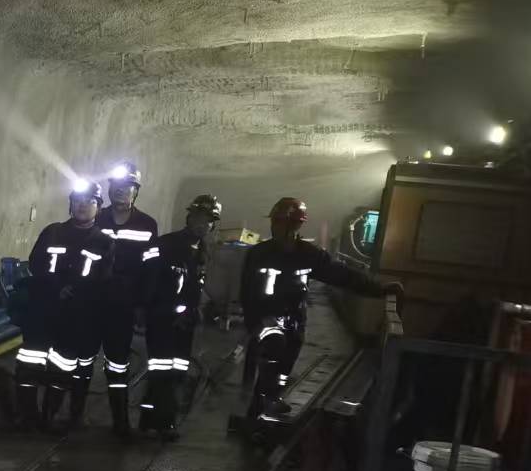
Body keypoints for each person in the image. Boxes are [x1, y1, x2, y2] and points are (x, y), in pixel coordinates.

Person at [241, 197, 401, 423]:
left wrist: (379, 289)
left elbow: (341, 275)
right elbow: (247, 291)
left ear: (295, 225)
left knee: (286, 363)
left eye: (281, 222)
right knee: (271, 359)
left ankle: (271, 399)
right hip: (268, 319)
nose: (275, 227)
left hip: (294, 320)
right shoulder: (259, 254)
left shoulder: (308, 254)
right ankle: (257, 410)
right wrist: (253, 322)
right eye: (275, 221)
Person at [29, 178, 114, 430]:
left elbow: (104, 279)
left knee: (68, 367)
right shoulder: (53, 232)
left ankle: (57, 415)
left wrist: (78, 292)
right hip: (47, 311)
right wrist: (57, 287)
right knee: (34, 365)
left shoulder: (104, 242)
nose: (83, 205)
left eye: (90, 201)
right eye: (78, 200)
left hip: (79, 316)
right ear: (71, 204)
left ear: (98, 207)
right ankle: (33, 415)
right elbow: (36, 264)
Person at [140, 194, 221, 439]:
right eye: (199, 218)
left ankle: (151, 421)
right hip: (163, 319)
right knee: (162, 370)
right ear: (189, 218)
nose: (203, 224)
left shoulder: (204, 250)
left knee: (176, 371)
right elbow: (149, 278)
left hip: (186, 323)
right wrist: (147, 310)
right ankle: (164, 423)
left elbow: (198, 287)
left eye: (209, 221)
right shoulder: (166, 244)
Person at [95, 161, 159, 437]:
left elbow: (151, 269)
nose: (121, 191)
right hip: (91, 301)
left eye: (127, 187)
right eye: (117, 186)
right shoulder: (95, 218)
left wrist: (143, 305)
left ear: (136, 191)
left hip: (123, 305)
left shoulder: (146, 224)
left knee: (118, 363)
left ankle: (120, 421)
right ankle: (69, 415)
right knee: (77, 360)